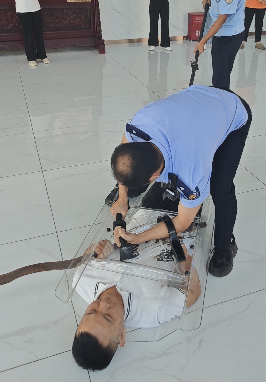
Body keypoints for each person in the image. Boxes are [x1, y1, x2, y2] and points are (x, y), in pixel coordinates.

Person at [108, 84, 252, 279]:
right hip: (202, 98)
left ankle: (225, 246)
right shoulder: (140, 124)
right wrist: (122, 198)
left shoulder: (192, 172)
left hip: (233, 110)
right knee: (133, 169)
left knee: (220, 188)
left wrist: (137, 238)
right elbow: (125, 152)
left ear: (154, 177)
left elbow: (182, 222)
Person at [71, 239, 201, 371]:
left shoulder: (82, 280)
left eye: (92, 311)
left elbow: (90, 253)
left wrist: (99, 248)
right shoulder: (151, 310)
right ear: (121, 335)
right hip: (176, 235)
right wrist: (183, 257)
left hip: (133, 227)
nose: (104, 303)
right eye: (108, 316)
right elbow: (193, 293)